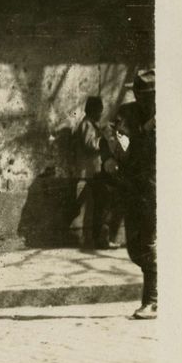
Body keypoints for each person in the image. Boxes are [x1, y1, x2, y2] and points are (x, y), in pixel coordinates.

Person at [108, 69, 156, 320]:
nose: (147, 99)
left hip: (156, 187)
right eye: (142, 94)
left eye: (150, 94)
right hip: (132, 187)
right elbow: (117, 137)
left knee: (148, 243)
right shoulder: (129, 112)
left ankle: (152, 301)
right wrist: (110, 154)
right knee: (135, 248)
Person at [75, 96, 110, 249]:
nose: (101, 114)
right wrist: (105, 139)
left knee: (100, 205)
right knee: (101, 205)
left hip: (95, 171)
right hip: (93, 171)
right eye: (99, 110)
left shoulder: (90, 124)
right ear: (94, 110)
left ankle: (99, 239)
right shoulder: (87, 125)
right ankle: (99, 240)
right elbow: (90, 144)